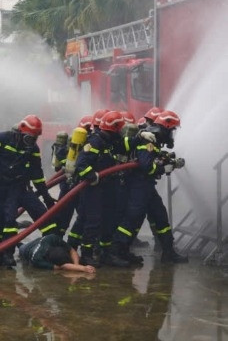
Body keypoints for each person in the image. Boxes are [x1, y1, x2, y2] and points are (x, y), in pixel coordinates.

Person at [105, 110, 188, 266]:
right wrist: (164, 169)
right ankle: (116, 252)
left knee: (160, 216)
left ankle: (168, 252)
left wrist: (166, 161)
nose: (173, 133)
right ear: (167, 126)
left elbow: (149, 160)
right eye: (173, 129)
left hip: (146, 185)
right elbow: (145, 166)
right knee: (132, 218)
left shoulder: (153, 137)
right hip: (139, 185)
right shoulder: (151, 139)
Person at [0, 114, 57, 268]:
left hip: (20, 187)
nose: (32, 142)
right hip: (0, 187)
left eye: (35, 138)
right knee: (1, 220)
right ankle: (1, 252)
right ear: (20, 132)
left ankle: (52, 248)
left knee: (42, 214)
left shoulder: (33, 148)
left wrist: (46, 195)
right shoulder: (2, 138)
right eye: (30, 137)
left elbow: (37, 174)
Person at [73, 110, 126, 267]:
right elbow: (81, 164)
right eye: (120, 128)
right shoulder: (95, 142)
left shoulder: (111, 142)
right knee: (93, 221)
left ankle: (105, 254)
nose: (122, 131)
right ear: (114, 128)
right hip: (93, 189)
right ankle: (86, 255)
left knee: (109, 220)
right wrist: (92, 175)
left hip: (108, 187)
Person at [19, 234, 96, 273]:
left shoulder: (53, 238)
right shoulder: (37, 259)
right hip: (25, 250)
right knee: (20, 246)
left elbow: (72, 251)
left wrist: (76, 265)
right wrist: (83, 268)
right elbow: (61, 267)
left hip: (39, 242)